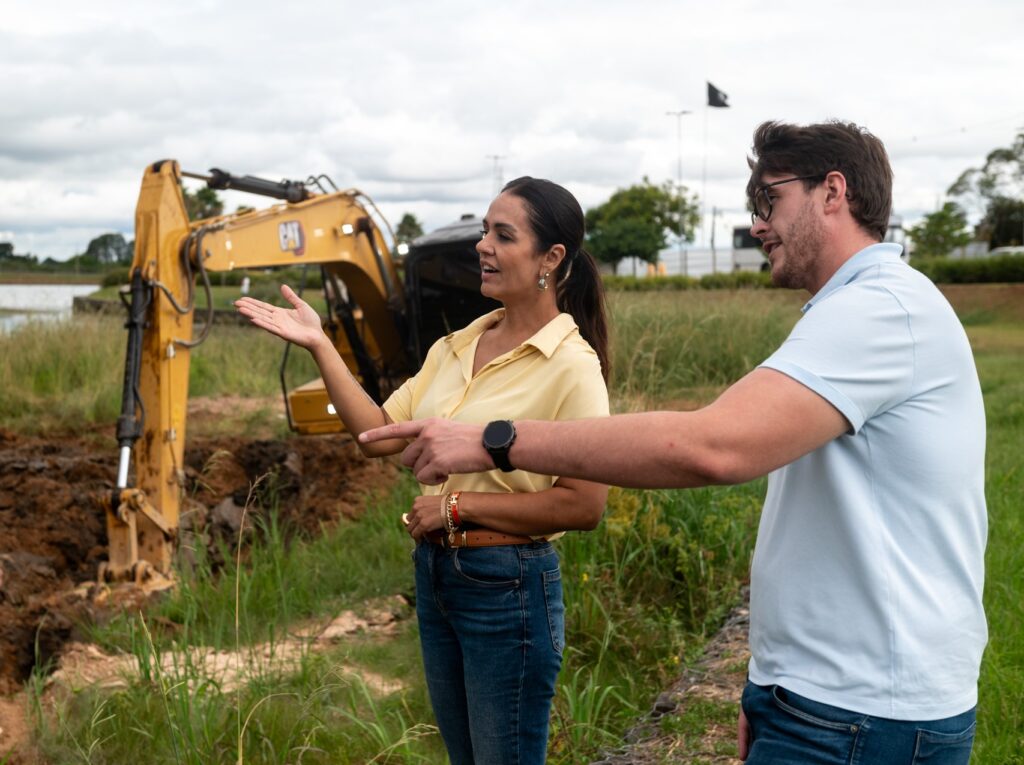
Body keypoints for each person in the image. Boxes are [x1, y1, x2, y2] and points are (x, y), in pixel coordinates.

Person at [360, 121, 988, 765]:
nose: (757, 224)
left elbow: (710, 446)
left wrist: (496, 442)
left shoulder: (881, 310)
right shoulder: (845, 312)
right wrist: (770, 689)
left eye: (768, 200)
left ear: (834, 192)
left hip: (861, 715)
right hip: (822, 702)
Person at [236, 176, 611, 764]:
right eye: (485, 231)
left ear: (551, 258)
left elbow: (584, 505)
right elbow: (376, 434)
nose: (483, 245)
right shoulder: (457, 345)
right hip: (438, 576)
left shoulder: (571, 365)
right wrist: (320, 345)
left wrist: (459, 506)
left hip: (508, 585)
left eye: (503, 235)